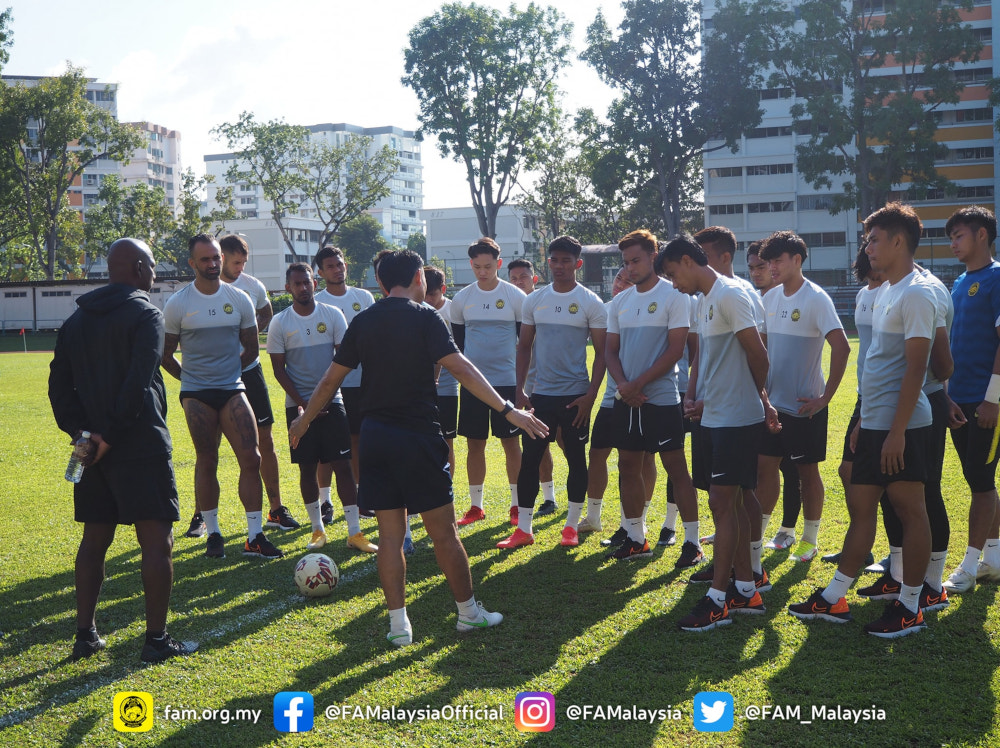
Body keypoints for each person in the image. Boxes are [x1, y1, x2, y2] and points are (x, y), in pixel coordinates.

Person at [289, 249, 548, 647]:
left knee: (390, 536)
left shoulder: (363, 320)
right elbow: (460, 366)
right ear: (418, 280)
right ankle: (469, 614)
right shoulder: (426, 316)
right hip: (418, 439)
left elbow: (329, 381)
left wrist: (303, 422)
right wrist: (508, 408)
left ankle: (399, 626)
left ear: (380, 283)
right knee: (444, 534)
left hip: (374, 439)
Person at [789, 203, 936, 638]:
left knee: (911, 511)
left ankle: (911, 606)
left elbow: (917, 369)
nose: (866, 247)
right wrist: (864, 421)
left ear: (897, 241)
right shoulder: (887, 289)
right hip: (875, 423)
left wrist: (894, 432)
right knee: (861, 510)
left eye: (873, 239)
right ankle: (834, 599)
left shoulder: (916, 292)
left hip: (904, 427)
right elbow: (878, 365)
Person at [49, 238, 197, 663]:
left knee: (94, 541)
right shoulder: (145, 313)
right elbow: (137, 383)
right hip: (139, 445)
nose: (154, 274)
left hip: (90, 450)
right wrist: (109, 437)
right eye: (151, 266)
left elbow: (58, 388)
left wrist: (84, 435)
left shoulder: (75, 321)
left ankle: (85, 635)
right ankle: (155, 640)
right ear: (137, 267)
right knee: (157, 543)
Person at [660, 235, 778, 631]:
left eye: (673, 274)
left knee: (723, 507)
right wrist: (700, 398)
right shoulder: (706, 299)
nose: (674, 283)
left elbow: (759, 354)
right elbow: (709, 361)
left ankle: (718, 599)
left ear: (687, 262)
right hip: (716, 418)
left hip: (735, 420)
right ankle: (746, 589)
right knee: (738, 504)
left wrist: (756, 400)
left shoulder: (730, 294)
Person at [162, 233, 282, 559]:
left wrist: (229, 372)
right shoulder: (178, 304)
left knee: (252, 457)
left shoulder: (239, 299)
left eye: (216, 258)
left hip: (232, 388)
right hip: (197, 395)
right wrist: (191, 380)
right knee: (207, 459)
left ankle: (255, 535)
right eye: (206, 259)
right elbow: (165, 354)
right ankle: (213, 533)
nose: (213, 264)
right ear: (192, 263)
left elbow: (249, 346)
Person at [498, 235, 607, 550]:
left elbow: (602, 354)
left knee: (575, 458)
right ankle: (524, 529)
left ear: (578, 263)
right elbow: (524, 347)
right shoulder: (535, 300)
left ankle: (571, 526)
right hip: (540, 396)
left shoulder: (590, 302)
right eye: (554, 260)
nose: (559, 266)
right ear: (548, 262)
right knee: (530, 460)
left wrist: (590, 396)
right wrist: (520, 390)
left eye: (566, 261)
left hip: (576, 397)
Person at [604, 230, 702, 564]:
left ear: (652, 256)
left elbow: (677, 349)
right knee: (627, 465)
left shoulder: (675, 296)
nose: (630, 268)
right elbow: (610, 351)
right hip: (627, 398)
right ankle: (636, 537)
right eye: (626, 262)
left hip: (660, 398)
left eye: (636, 260)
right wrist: (623, 386)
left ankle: (692, 542)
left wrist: (638, 384)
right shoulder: (619, 302)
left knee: (676, 467)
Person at [268, 263, 377, 554]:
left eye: (307, 282)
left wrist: (326, 399)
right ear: (288, 287)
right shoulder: (280, 322)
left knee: (342, 465)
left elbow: (343, 361)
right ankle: (318, 528)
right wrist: (305, 403)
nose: (303, 288)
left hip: (334, 403)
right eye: (297, 284)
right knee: (307, 467)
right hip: (298, 407)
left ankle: (355, 532)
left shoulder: (333, 315)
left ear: (314, 283)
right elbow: (279, 370)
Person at [756, 231, 850, 562]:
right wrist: (761, 393)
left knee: (807, 475)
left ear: (797, 260)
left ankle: (810, 540)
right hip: (772, 407)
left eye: (777, 260)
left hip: (803, 408)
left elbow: (842, 347)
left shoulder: (816, 299)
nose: (772, 267)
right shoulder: (769, 298)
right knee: (764, 469)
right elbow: (761, 350)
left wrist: (824, 397)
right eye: (769, 262)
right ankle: (760, 535)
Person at [217, 233, 300, 534]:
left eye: (243, 263)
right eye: (235, 262)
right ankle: (202, 515)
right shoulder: (205, 288)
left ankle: (275, 509)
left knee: (265, 438)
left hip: (250, 370)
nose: (240, 268)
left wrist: (250, 334)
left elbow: (265, 312)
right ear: (221, 257)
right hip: (215, 375)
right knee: (209, 444)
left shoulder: (252, 286)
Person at [942, 206, 1000, 593]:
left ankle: (967, 564)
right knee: (978, 481)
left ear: (982, 234)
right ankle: (993, 559)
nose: (953, 244)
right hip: (959, 400)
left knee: (981, 483)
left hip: (987, 401)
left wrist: (993, 399)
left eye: (959, 235)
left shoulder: (997, 278)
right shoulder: (960, 281)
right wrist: (947, 396)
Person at [450, 238, 527, 526]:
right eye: (477, 267)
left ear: (499, 263)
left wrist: (521, 386)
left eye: (488, 266)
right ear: (471, 265)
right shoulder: (462, 299)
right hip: (473, 385)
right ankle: (475, 506)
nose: (482, 272)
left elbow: (525, 344)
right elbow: (457, 347)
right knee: (475, 444)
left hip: (506, 383)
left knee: (510, 443)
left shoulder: (515, 297)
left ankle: (517, 505)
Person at [582, 268, 657, 540]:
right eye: (617, 278)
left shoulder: (654, 306)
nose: (620, 284)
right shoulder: (607, 309)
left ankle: (637, 521)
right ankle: (592, 516)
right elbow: (604, 354)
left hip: (643, 396)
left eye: (627, 279)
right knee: (597, 452)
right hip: (612, 396)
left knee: (641, 459)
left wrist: (634, 387)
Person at [315, 245, 376, 525]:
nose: (337, 269)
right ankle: (324, 501)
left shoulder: (363, 297)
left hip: (364, 382)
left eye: (339, 264)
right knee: (326, 446)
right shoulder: (318, 302)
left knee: (359, 440)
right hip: (332, 385)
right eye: (330, 266)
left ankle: (363, 497)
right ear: (321, 271)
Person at [747, 240, 802, 552]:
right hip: (761, 395)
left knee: (792, 468)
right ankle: (759, 528)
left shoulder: (793, 297)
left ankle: (789, 529)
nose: (758, 272)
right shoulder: (754, 300)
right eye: (753, 267)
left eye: (762, 266)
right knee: (763, 466)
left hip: (792, 399)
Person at [508, 258, 559, 516]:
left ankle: (568, 497)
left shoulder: (543, 302)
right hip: (525, 385)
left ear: (534, 279)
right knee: (536, 441)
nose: (519, 282)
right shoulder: (509, 306)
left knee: (562, 441)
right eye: (514, 278)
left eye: (523, 277)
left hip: (553, 385)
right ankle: (546, 497)